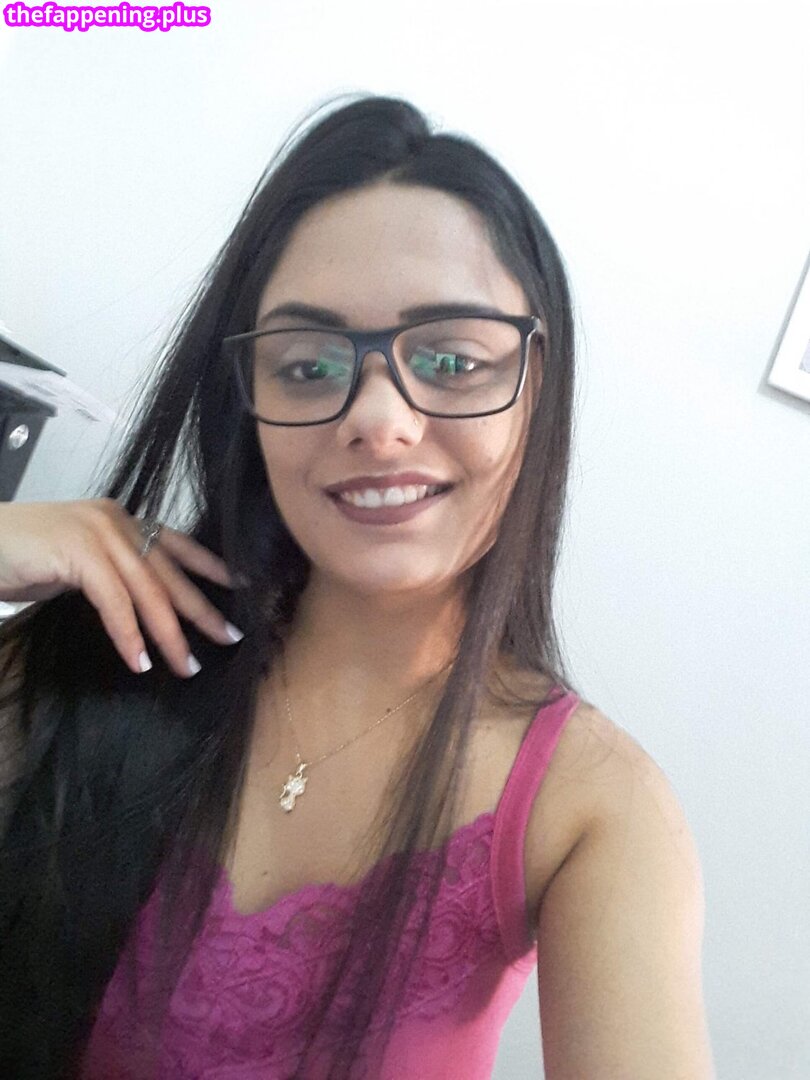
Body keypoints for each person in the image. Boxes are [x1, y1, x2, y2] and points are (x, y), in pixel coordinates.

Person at [0, 94, 714, 1079]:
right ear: (247, 403)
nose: (379, 419)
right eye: (307, 366)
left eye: (452, 359)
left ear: (536, 387)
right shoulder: (93, 651)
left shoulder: (594, 805)